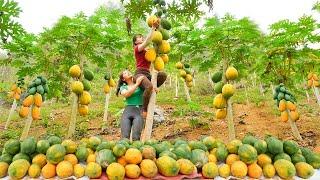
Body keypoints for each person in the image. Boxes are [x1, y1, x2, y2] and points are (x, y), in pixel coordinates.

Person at [132, 25, 167, 118]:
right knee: (149, 86)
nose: (141, 38)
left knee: (163, 75)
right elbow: (147, 41)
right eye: (139, 37)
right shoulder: (137, 49)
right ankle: (144, 109)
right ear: (135, 42)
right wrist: (152, 29)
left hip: (148, 74)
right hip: (139, 74)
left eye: (141, 36)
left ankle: (151, 88)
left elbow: (154, 56)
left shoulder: (147, 50)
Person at [116, 70, 145, 140]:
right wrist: (137, 84)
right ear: (123, 79)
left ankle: (134, 151)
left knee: (136, 137)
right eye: (125, 73)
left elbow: (148, 90)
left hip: (139, 111)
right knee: (125, 137)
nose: (128, 72)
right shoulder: (123, 88)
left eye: (128, 71)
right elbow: (126, 94)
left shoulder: (140, 85)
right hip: (127, 112)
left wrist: (154, 89)